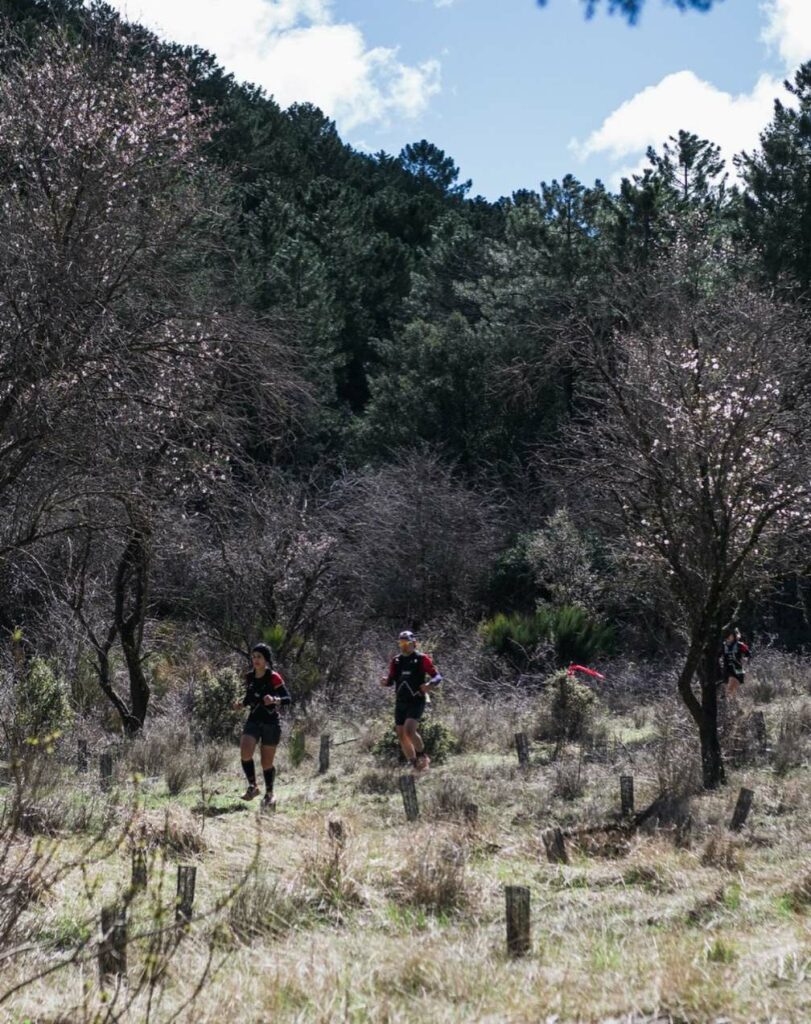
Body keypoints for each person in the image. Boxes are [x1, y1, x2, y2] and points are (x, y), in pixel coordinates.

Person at [235, 643, 291, 809]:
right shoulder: (249, 677)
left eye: (259, 656)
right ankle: (253, 787)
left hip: (271, 723)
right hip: (253, 720)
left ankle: (269, 794)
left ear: (266, 659)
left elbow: (287, 698)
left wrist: (274, 700)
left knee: (267, 763)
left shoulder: (274, 677)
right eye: (253, 657)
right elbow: (250, 696)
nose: (255, 660)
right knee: (245, 752)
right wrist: (242, 704)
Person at [379, 630, 442, 772]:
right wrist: (385, 682)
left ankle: (422, 757)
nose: (403, 646)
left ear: (414, 643)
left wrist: (429, 685)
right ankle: (415, 766)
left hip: (416, 699)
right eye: (400, 643)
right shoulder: (396, 661)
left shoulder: (422, 658)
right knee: (401, 735)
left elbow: (437, 676)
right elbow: (391, 680)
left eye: (406, 643)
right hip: (400, 701)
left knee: (409, 731)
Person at [720, 626, 751, 699]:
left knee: (733, 688)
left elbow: (748, 654)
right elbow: (717, 656)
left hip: (738, 669)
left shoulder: (740, 645)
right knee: (730, 688)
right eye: (727, 635)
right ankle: (730, 704)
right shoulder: (723, 646)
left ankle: (728, 700)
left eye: (730, 635)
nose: (728, 637)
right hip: (726, 669)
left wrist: (745, 659)